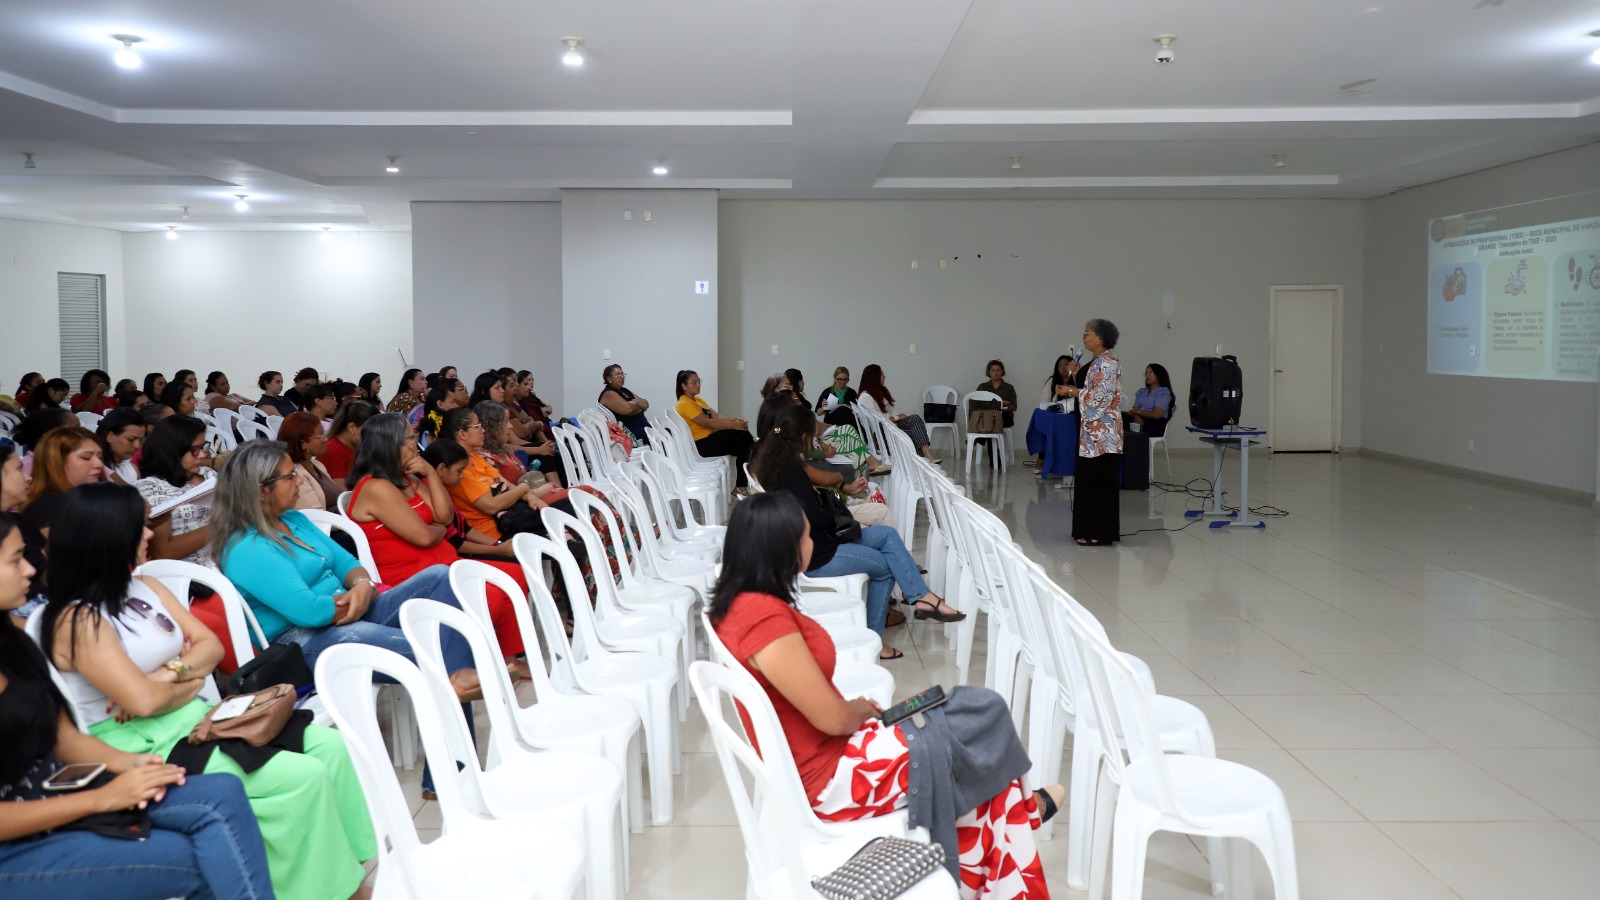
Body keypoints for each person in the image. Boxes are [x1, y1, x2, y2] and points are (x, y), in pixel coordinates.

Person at [709, 493, 1059, 900]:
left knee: (962, 712)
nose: (812, 543)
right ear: (781, 547)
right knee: (983, 712)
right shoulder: (762, 620)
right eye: (807, 536)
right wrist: (858, 709)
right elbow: (832, 720)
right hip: (837, 777)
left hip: (834, 757)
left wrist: (855, 713)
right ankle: (1022, 811)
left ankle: (1017, 811)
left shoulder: (744, 605)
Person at [39, 483, 376, 900]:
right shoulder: (77, 620)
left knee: (331, 748)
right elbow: (143, 703)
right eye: (138, 527)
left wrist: (169, 676)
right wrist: (184, 677)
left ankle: (348, 877)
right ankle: (326, 892)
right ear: (106, 538)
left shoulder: (146, 587)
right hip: (141, 741)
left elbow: (210, 648)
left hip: (193, 715)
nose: (149, 536)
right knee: (300, 778)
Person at [0, 511, 277, 900]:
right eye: (14, 559)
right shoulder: (69, 621)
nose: (31, 568)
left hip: (61, 791)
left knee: (224, 794)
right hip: (16, 845)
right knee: (199, 855)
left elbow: (63, 739)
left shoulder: (14, 642)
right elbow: (143, 701)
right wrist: (101, 798)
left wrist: (132, 765)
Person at [210, 440, 484, 704]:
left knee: (440, 576)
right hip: (304, 642)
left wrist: (364, 585)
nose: (300, 480)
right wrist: (360, 595)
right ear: (262, 490)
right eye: (289, 476)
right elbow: (310, 612)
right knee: (437, 648)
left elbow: (346, 563)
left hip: (347, 608)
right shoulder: (248, 548)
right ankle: (461, 692)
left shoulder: (293, 519)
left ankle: (458, 682)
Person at [749, 403, 962, 658]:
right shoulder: (792, 470)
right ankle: (874, 642)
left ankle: (920, 595)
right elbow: (816, 518)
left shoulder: (774, 460)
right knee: (884, 567)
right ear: (804, 437)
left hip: (814, 544)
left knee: (886, 534)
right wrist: (832, 507)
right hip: (815, 556)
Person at [344, 413, 530, 680]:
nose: (414, 446)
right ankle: (470, 660)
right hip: (415, 577)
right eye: (410, 439)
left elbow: (444, 517)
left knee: (515, 575)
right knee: (495, 592)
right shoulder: (376, 487)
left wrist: (430, 473)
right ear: (389, 444)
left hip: (445, 563)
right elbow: (425, 537)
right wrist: (437, 531)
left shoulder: (408, 479)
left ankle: (506, 658)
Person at [439, 408, 566, 544]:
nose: (483, 430)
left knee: (568, 510)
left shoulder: (475, 456)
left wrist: (531, 497)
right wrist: (524, 489)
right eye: (477, 426)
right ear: (463, 434)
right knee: (568, 513)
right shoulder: (459, 468)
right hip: (497, 533)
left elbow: (508, 485)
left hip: (515, 518)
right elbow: (491, 506)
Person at [17, 426, 104, 620]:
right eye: (86, 457)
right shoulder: (47, 506)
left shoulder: (80, 503)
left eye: (100, 456)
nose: (98, 464)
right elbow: (70, 569)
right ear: (57, 462)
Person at [1061, 320, 1123, 546]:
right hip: (1089, 433)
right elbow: (1090, 390)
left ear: (1100, 337)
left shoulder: (1108, 362)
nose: (1083, 337)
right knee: (1088, 480)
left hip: (1103, 434)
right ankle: (1085, 529)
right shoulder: (1096, 362)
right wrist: (1077, 378)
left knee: (1100, 482)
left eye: (1087, 333)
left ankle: (1100, 531)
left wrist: (1071, 391)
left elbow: (1101, 398)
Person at [134, 416, 215, 566]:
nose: (203, 455)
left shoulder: (208, 474)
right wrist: (220, 526)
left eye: (203, 447)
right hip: (191, 573)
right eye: (195, 450)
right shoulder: (150, 488)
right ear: (173, 450)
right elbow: (162, 552)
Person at [674, 370, 753, 490]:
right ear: (684, 386)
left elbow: (715, 416)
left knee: (744, 448)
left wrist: (735, 420)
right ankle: (761, 454)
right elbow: (708, 423)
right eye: (693, 382)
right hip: (701, 445)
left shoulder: (697, 400)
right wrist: (735, 425)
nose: (698, 385)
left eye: (699, 381)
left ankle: (740, 487)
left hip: (711, 440)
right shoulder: (684, 403)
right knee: (743, 434)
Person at [856, 364, 941, 463]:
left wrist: (899, 417)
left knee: (915, 422)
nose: (885, 376)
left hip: (891, 427)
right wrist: (897, 417)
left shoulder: (880, 391)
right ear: (874, 377)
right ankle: (924, 458)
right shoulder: (865, 397)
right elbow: (875, 423)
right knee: (914, 430)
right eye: (882, 374)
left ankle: (923, 458)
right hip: (881, 434)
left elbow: (890, 411)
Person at [278, 412, 341, 512]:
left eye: (324, 433)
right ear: (303, 444)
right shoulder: (297, 476)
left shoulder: (318, 465)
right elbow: (316, 516)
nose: (326, 439)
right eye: (320, 435)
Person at [1028, 355, 1081, 470]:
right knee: (1040, 422)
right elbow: (1044, 402)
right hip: (1055, 415)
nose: (1063, 367)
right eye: (1060, 365)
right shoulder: (1052, 381)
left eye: (1066, 364)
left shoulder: (1078, 379)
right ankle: (1042, 457)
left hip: (1073, 417)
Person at [321, 401, 378, 487]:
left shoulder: (362, 448)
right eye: (370, 431)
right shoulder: (332, 450)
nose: (374, 436)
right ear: (352, 427)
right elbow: (341, 494)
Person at [598, 364, 650, 445]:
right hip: (628, 431)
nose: (621, 376)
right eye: (617, 374)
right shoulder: (608, 393)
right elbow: (628, 410)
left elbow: (645, 404)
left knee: (663, 433)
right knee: (659, 437)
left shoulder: (623, 390)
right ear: (609, 378)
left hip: (640, 425)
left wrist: (635, 403)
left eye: (622, 374)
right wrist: (638, 406)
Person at [95, 408, 146, 485]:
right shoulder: (94, 470)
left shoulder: (133, 469)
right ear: (110, 436)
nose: (137, 446)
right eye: (131, 439)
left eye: (140, 440)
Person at [1124, 363, 1174, 437]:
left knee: (1132, 427)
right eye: (1146, 373)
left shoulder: (1163, 392)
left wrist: (1138, 412)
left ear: (1159, 375)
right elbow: (1133, 411)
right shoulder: (1142, 392)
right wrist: (1137, 417)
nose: (1148, 376)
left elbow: (1156, 414)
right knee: (1120, 416)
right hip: (1139, 420)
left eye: (1151, 373)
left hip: (1156, 423)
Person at [978, 359, 1019, 429]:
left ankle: (981, 439)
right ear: (989, 372)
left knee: (988, 422)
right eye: (993, 370)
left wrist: (1003, 407)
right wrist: (999, 403)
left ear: (1002, 371)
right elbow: (977, 404)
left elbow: (1014, 407)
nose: (995, 372)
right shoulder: (983, 387)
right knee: (982, 419)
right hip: (986, 416)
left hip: (1004, 417)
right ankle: (978, 439)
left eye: (998, 370)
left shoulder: (1009, 388)